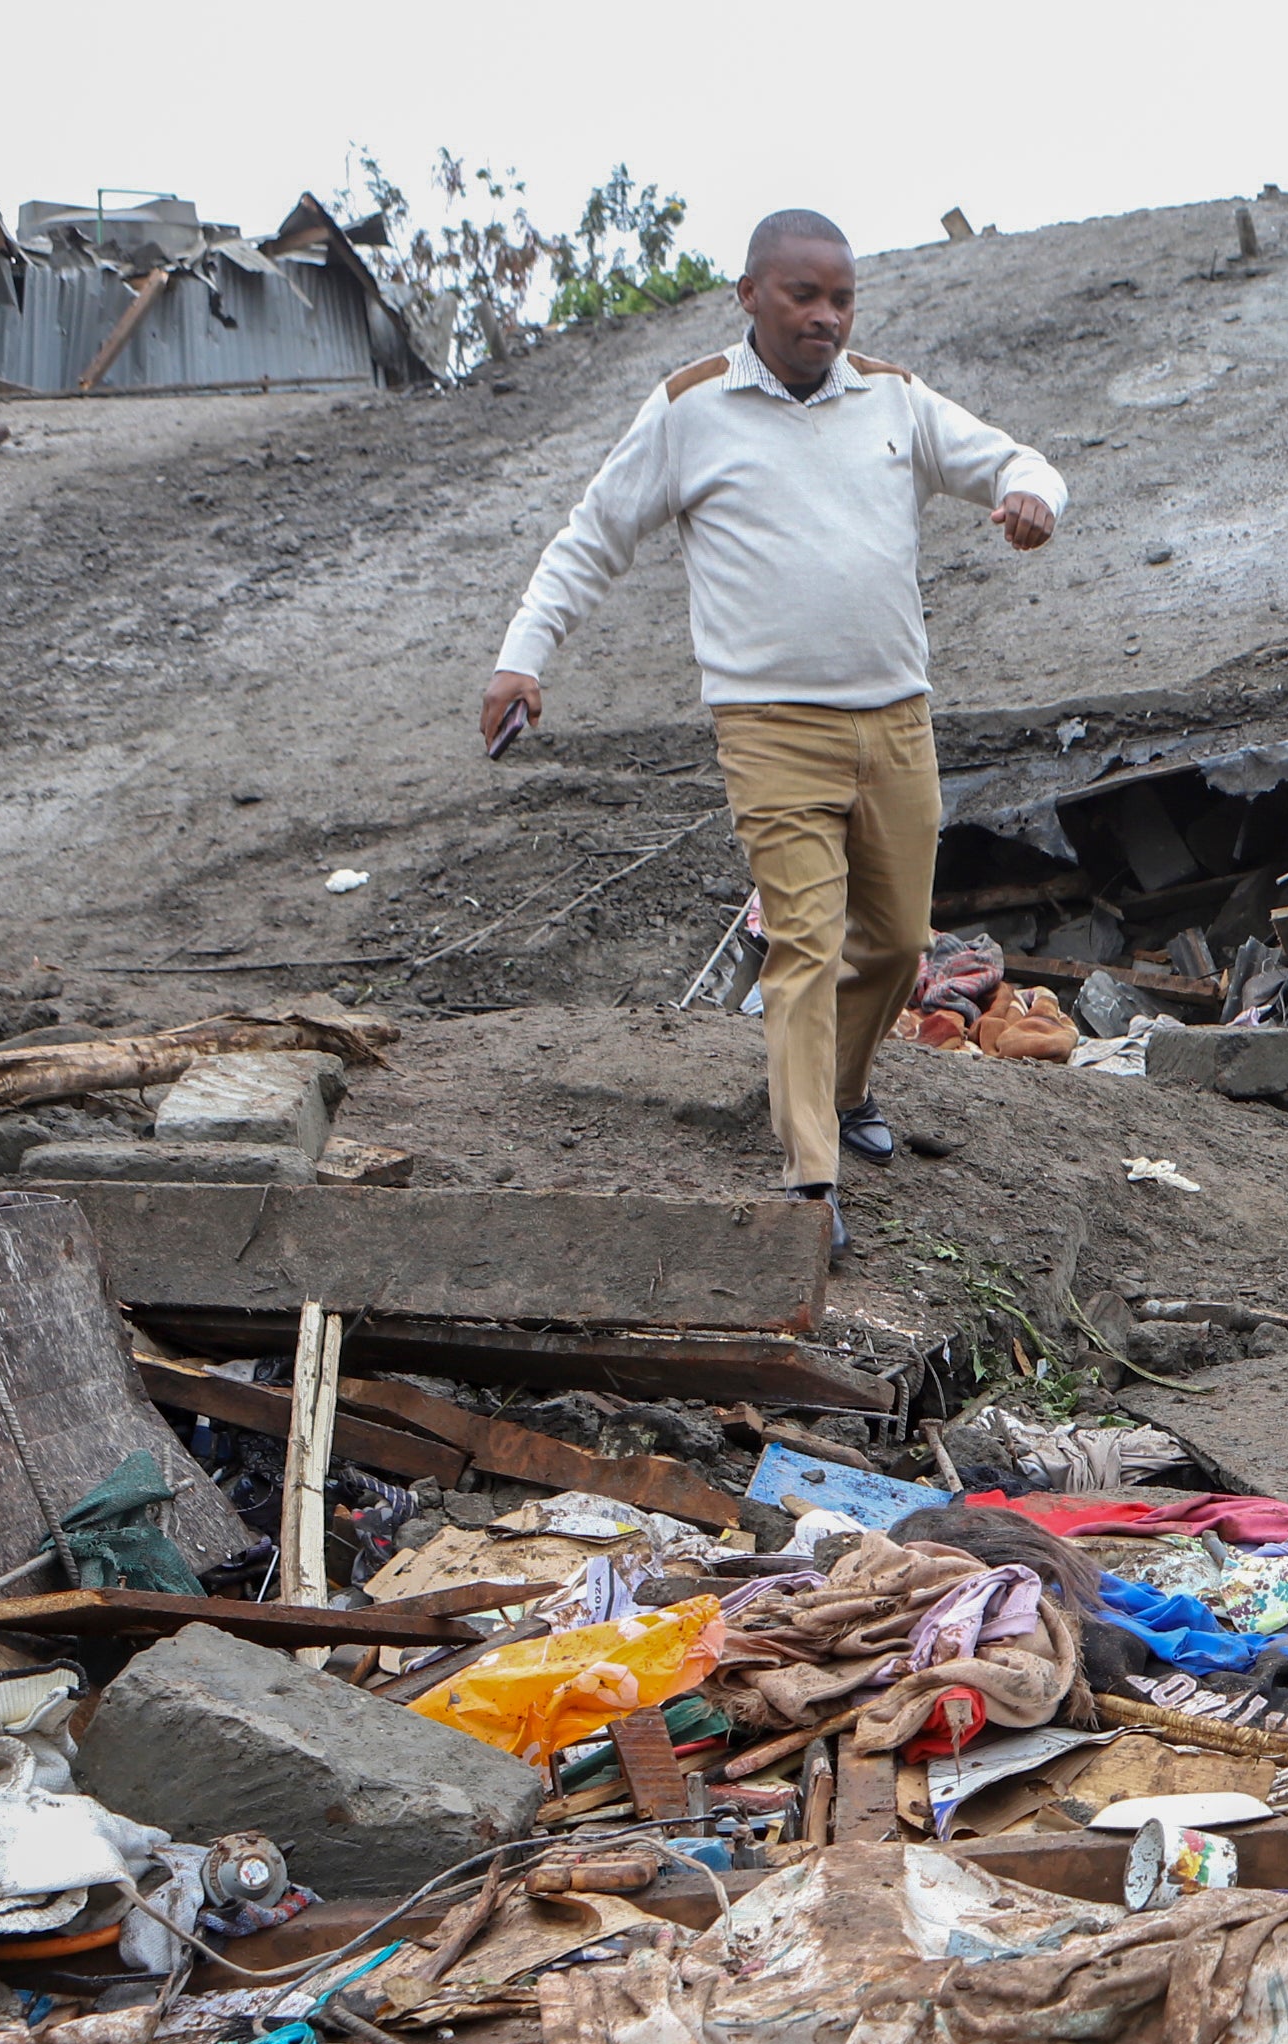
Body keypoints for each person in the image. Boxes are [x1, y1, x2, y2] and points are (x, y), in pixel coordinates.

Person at [479, 208, 1064, 1258]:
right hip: (769, 725)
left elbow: (1018, 459)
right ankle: (806, 1182)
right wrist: (523, 657)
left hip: (895, 719)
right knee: (805, 941)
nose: (826, 318)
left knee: (893, 942)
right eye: (804, 296)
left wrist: (1031, 494)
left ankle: (838, 1091)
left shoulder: (893, 399)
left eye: (842, 298)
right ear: (749, 294)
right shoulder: (690, 410)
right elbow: (591, 537)